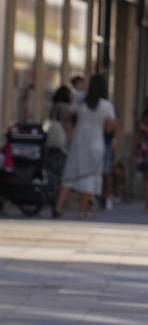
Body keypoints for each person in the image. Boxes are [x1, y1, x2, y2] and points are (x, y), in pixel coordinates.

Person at [56, 74, 118, 219]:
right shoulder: (107, 106)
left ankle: (58, 206)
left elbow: (67, 118)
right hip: (96, 143)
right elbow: (110, 128)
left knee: (70, 174)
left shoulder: (80, 102)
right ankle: (83, 210)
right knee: (90, 175)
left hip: (79, 142)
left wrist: (69, 132)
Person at [43, 86, 73, 216]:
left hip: (51, 141)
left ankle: (50, 193)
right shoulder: (65, 107)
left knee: (51, 169)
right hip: (60, 142)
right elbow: (66, 124)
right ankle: (55, 200)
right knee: (59, 172)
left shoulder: (53, 106)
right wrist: (69, 138)